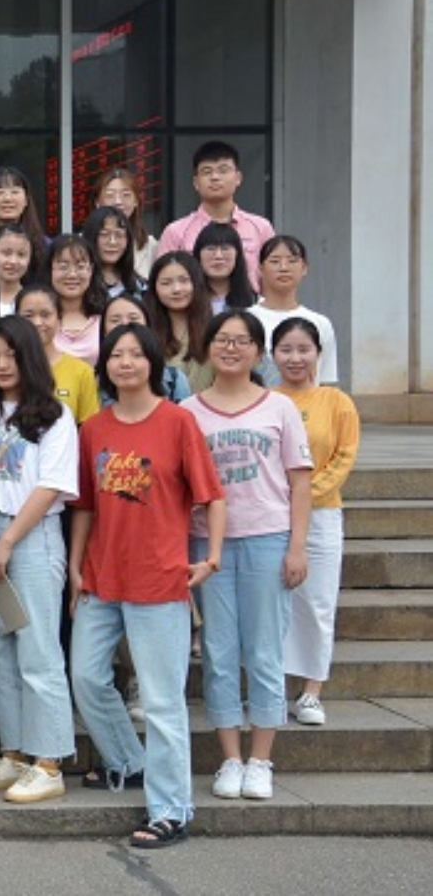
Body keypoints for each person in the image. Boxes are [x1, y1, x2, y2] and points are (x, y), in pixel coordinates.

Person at [68, 323, 224, 851]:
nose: (126, 362)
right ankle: (129, 761)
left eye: (136, 354)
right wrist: (76, 566)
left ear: (153, 362)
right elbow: (85, 505)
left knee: (161, 701)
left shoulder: (178, 422)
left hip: (159, 578)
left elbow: (212, 496)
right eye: (117, 354)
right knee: (85, 677)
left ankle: (172, 809)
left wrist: (213, 557)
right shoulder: (94, 428)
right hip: (102, 577)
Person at [184, 311, 312, 803]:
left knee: (264, 651)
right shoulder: (188, 411)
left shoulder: (279, 408)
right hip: (207, 545)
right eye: (222, 339)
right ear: (207, 348)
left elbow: (300, 483)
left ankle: (261, 759)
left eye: (242, 341)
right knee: (218, 652)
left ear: (259, 352)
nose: (231, 348)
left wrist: (297, 546)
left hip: (268, 538)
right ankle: (230, 758)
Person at [0, 315, 79, 804]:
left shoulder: (53, 416)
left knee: (37, 652)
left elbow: (50, 486)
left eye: (11, 355)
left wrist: (6, 542)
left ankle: (48, 762)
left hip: (30, 537)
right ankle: (12, 752)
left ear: (29, 357)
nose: (2, 364)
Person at [272, 318, 359, 726]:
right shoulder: (266, 400)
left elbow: (344, 456)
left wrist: (306, 494)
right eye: (286, 349)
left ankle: (311, 691)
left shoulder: (336, 402)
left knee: (318, 601)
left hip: (322, 513)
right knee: (272, 604)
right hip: (272, 513)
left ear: (319, 354)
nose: (295, 358)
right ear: (272, 355)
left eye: (304, 349)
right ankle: (271, 685)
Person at [157, 140, 276, 287]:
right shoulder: (176, 232)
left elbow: (272, 280)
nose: (215, 177)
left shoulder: (261, 228)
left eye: (223, 170)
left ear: (238, 178)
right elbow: (164, 281)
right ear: (196, 183)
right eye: (207, 171)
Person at [250, 235, 339, 387]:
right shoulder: (247, 319)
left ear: (304, 268)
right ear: (260, 269)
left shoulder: (320, 323)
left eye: (292, 261)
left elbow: (326, 380)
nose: (283, 268)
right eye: (275, 261)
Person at [16, 286, 101, 425]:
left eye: (45, 315)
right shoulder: (7, 368)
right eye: (28, 316)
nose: (37, 322)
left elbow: (88, 427)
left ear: (59, 318)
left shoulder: (82, 372)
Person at [100, 295, 192, 404]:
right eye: (115, 320)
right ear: (104, 331)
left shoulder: (174, 379)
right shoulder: (91, 381)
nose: (125, 324)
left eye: (134, 318)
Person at [143, 253, 214, 392]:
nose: (176, 289)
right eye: (166, 283)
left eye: (183, 281)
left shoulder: (216, 329)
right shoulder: (145, 330)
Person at [47, 234, 106, 366]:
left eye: (80, 266)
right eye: (63, 267)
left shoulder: (105, 316)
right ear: (50, 269)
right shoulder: (39, 318)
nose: (72, 274)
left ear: (91, 270)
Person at [91, 167, 156, 281]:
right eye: (110, 195)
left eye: (126, 195)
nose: (118, 202)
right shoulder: (81, 242)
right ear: (97, 202)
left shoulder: (150, 246)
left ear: (136, 201)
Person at [0, 166, 48, 255]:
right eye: (0, 193)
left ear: (26, 200)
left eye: (15, 192)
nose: (7, 198)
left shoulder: (46, 246)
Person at [81, 205, 144, 299]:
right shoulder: (79, 284)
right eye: (104, 234)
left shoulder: (140, 287)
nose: (112, 242)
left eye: (119, 235)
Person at [193, 222, 257, 314]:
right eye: (211, 249)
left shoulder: (255, 304)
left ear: (237, 255)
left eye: (225, 248)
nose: (218, 256)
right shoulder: (186, 301)